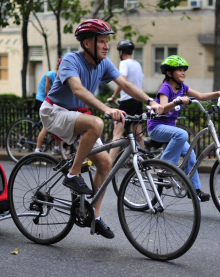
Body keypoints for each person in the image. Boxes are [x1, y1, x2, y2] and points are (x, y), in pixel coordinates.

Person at [39, 19, 163, 239]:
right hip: (54, 111)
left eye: (108, 41)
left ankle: (93, 217)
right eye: (102, 42)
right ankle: (72, 173)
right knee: (96, 123)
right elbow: (77, 89)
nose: (107, 46)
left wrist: (150, 101)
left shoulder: (103, 64)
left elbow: (125, 85)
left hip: (77, 115)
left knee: (105, 162)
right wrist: (107, 109)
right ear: (87, 43)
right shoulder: (71, 60)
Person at [147, 55, 220, 202]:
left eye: (184, 70)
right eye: (179, 70)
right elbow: (162, 109)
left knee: (190, 155)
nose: (183, 72)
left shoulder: (183, 88)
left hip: (170, 130)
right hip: (157, 128)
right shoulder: (165, 88)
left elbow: (200, 96)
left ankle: (195, 190)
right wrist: (177, 101)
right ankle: (165, 167)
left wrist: (219, 93)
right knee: (182, 134)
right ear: (169, 73)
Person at [107, 40, 146, 162]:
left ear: (121, 52)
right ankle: (145, 160)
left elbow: (122, 81)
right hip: (137, 101)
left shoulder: (124, 63)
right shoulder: (137, 64)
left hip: (127, 102)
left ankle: (109, 162)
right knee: (138, 133)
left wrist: (114, 97)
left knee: (117, 133)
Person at [34, 59, 59, 154]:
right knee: (47, 126)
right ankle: (37, 149)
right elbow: (47, 91)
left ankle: (57, 148)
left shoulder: (61, 77)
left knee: (57, 123)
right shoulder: (50, 75)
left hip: (51, 101)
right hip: (41, 101)